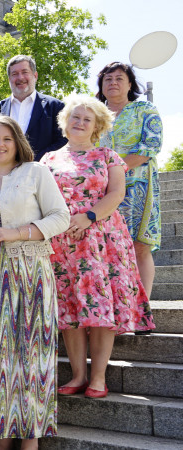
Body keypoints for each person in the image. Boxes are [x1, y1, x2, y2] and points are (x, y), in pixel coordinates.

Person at [0, 115, 69, 448]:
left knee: (29, 354)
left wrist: (16, 233)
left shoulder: (36, 172)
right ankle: (1, 433)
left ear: (17, 141)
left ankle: (30, 437)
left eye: (6, 138)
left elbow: (60, 216)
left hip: (28, 276)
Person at [41, 94, 155, 400]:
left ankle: (99, 377)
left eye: (86, 119)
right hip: (62, 242)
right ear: (65, 122)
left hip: (101, 241)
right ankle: (78, 375)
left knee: (101, 306)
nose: (79, 123)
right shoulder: (47, 160)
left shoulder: (108, 156)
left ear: (97, 126)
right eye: (74, 117)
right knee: (70, 309)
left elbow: (117, 193)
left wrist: (88, 216)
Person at [96, 62, 163, 303]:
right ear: (101, 86)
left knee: (140, 245)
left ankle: (142, 309)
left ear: (130, 84)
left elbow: (150, 147)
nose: (113, 82)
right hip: (102, 192)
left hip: (139, 189)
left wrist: (114, 169)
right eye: (108, 79)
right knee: (108, 249)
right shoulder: (94, 114)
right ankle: (117, 307)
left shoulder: (145, 109)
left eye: (119, 78)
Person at [0, 55, 66, 162]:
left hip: (40, 174)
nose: (20, 78)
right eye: (14, 74)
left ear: (35, 75)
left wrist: (34, 160)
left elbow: (63, 142)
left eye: (25, 72)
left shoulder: (55, 107)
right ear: (9, 79)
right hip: (4, 175)